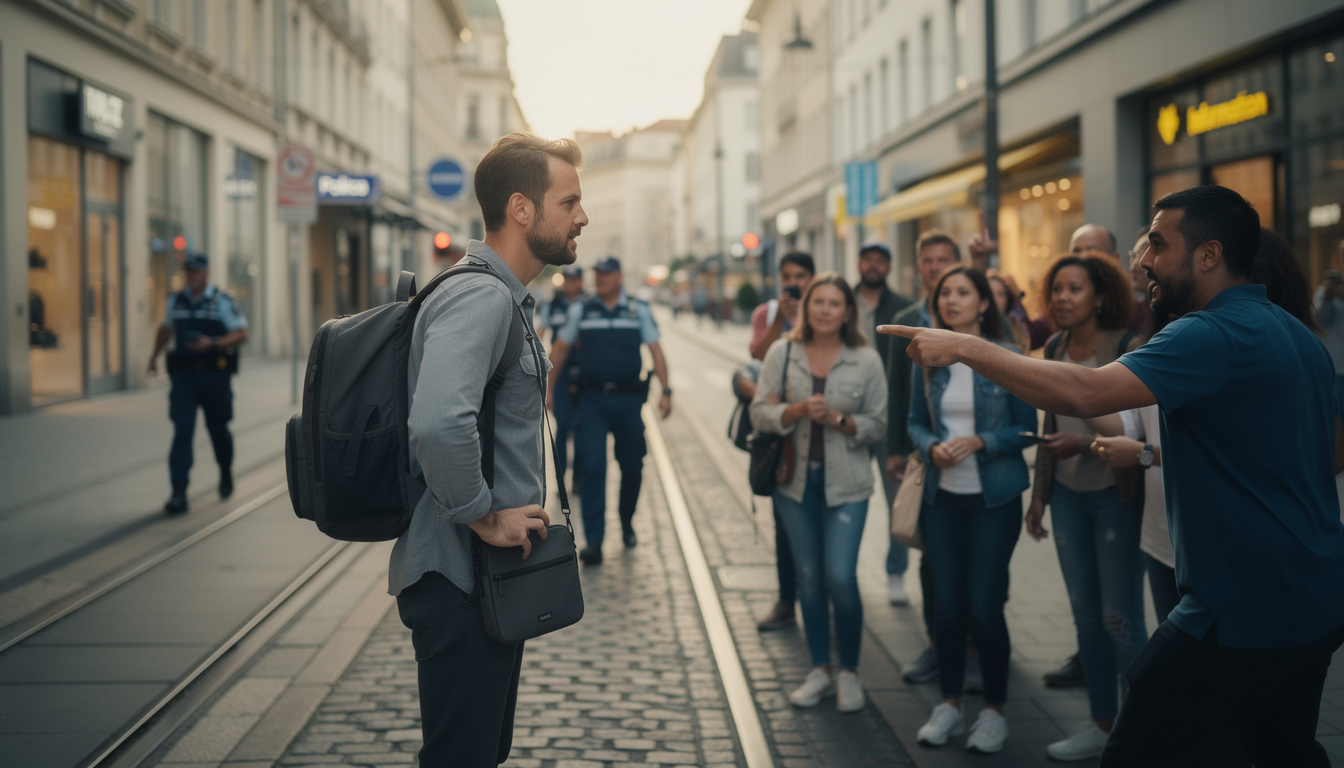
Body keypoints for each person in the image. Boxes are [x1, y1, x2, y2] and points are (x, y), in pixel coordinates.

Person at [882, 185, 1344, 767]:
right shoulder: (1300, 336)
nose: (1143, 258)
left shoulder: (1209, 332)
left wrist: (966, 347)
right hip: (1318, 594)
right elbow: (1330, 455)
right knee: (1281, 749)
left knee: (1136, 746)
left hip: (1243, 606)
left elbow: (1086, 389)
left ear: (1208, 255)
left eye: (1157, 242)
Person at [388, 133, 585, 768]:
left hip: (485, 578)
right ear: (522, 209)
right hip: (460, 574)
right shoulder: (480, 296)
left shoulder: (505, 298)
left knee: (478, 753)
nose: (583, 217)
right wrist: (484, 515)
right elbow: (441, 423)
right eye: (570, 202)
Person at [1021, 251, 1146, 762]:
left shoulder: (1127, 347)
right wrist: (1039, 496)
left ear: (1100, 296)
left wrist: (1084, 445)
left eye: (1075, 289)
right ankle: (1101, 722)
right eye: (1057, 289)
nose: (1062, 298)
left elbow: (1135, 435)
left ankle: (1141, 729)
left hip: (1115, 499)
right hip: (1068, 498)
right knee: (1086, 619)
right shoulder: (1052, 346)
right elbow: (1052, 432)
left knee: (1122, 620)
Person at [908, 266, 1036, 754]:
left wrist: (983, 440)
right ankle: (948, 704)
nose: (952, 300)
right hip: (942, 498)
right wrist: (930, 447)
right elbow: (914, 424)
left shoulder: (1010, 358)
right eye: (945, 293)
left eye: (964, 293)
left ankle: (995, 712)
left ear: (985, 303)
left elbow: (1027, 430)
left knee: (984, 608)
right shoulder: (927, 359)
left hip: (994, 500)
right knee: (948, 606)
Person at [749, 272, 887, 713]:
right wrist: (794, 410)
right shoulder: (783, 352)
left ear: (848, 311)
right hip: (795, 485)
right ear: (807, 306)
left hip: (848, 488)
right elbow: (759, 412)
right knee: (809, 578)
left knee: (841, 578)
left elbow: (879, 425)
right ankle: (821, 669)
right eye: (818, 301)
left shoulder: (865, 360)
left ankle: (849, 671)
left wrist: (841, 421)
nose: (826, 309)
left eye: (835, 303)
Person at [548, 255, 672, 564]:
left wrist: (666, 392)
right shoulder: (581, 310)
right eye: (598, 274)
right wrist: (549, 390)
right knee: (592, 467)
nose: (600, 279)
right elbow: (560, 350)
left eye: (606, 274)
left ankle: (626, 519)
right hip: (591, 400)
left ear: (619, 277)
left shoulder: (637, 310)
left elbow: (656, 351)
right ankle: (595, 541)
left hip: (629, 401)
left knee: (632, 465)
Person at [885, 229, 961, 685]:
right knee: (933, 558)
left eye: (943, 260)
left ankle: (975, 641)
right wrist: (897, 448)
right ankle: (939, 643)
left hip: (980, 465)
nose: (935, 268)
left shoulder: (981, 314)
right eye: (928, 261)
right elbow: (899, 388)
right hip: (928, 458)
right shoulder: (907, 318)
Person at [147, 252, 249, 515]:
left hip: (215, 377)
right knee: (182, 432)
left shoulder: (223, 301)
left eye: (195, 271)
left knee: (219, 430)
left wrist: (213, 343)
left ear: (206, 273)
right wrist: (153, 357)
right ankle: (178, 492)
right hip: (184, 378)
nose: (190, 275)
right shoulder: (176, 301)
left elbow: (241, 333)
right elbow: (165, 329)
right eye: (187, 270)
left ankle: (225, 470)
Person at [749, 251, 815, 631]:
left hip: (817, 426)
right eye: (787, 276)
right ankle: (787, 599)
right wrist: (781, 317)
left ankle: (818, 597)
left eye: (801, 276)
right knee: (784, 522)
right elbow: (759, 354)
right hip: (780, 434)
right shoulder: (767, 314)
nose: (794, 283)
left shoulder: (825, 309)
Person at [855, 242, 915, 605]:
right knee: (845, 496)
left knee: (897, 501)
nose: (873, 265)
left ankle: (896, 572)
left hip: (887, 419)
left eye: (880, 260)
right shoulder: (841, 301)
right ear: (860, 264)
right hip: (845, 416)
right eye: (868, 259)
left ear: (888, 267)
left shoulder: (902, 307)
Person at [544, 264, 586, 480]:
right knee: (562, 424)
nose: (570, 284)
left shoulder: (589, 305)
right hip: (560, 371)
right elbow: (539, 331)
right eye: (566, 279)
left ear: (580, 282)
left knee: (581, 428)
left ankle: (578, 477)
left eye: (574, 280)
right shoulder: (554, 304)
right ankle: (560, 476)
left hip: (584, 374)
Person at [1070, 223, 1148, 335]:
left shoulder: (1135, 313)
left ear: (1114, 259)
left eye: (1092, 252)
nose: (1082, 259)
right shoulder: (1065, 307)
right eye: (1076, 252)